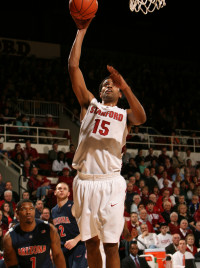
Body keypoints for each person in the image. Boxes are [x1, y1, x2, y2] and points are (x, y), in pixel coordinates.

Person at [68, 18, 146, 268]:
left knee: (111, 244)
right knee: (90, 242)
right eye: (104, 85)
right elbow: (73, 66)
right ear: (99, 92)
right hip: (84, 181)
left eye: (112, 85)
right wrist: (81, 31)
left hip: (110, 181)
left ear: (120, 92)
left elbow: (142, 117)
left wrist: (126, 85)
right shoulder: (89, 104)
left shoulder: (125, 115)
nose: (107, 86)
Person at [3, 199, 66, 268]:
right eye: (24, 209)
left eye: (31, 209)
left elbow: (57, 255)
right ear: (17, 212)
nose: (28, 212)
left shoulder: (49, 229)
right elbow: (12, 265)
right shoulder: (9, 237)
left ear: (34, 211)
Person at [52, 182, 87, 268]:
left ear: (68, 193)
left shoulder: (74, 207)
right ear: (55, 192)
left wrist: (75, 240)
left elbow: (88, 228)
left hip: (77, 246)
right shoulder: (53, 210)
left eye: (64, 189)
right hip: (62, 247)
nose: (61, 190)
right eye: (59, 188)